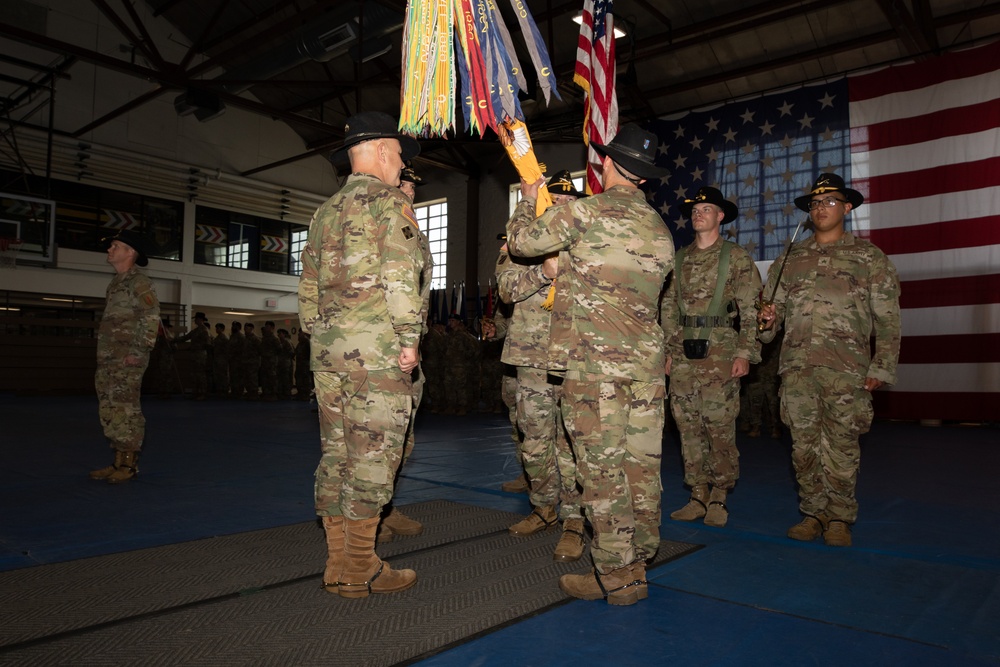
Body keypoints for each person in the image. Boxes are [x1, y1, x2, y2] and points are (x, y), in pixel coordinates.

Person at [507, 124, 674, 605]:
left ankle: (617, 577)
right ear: (642, 178)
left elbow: (521, 244)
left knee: (601, 475)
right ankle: (639, 563)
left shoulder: (583, 214)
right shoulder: (660, 229)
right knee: (641, 470)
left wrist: (527, 196)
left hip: (592, 369)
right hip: (644, 370)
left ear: (605, 164)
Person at [298, 110, 424, 598]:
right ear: (377, 151)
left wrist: (322, 334)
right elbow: (399, 277)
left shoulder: (324, 211)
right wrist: (408, 339)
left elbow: (307, 287)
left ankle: (335, 563)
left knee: (336, 458)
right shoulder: (389, 204)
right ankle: (359, 567)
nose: (398, 166)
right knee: (372, 460)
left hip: (329, 356)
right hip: (376, 355)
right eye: (396, 155)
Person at [757, 173, 901, 547]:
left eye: (830, 202)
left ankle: (839, 517)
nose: (821, 208)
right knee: (803, 447)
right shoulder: (791, 258)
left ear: (847, 207)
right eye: (815, 204)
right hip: (798, 368)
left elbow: (887, 318)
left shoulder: (869, 258)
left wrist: (882, 365)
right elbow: (771, 320)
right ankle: (813, 513)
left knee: (841, 447)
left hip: (847, 370)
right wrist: (767, 321)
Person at [499, 172, 587, 563]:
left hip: (574, 358)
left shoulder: (589, 244)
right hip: (531, 359)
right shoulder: (523, 245)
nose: (563, 208)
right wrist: (543, 272)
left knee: (572, 444)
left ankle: (573, 522)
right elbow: (505, 289)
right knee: (534, 442)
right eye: (556, 201)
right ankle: (544, 507)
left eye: (571, 202)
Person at [663, 186, 761, 528]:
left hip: (721, 353)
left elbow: (751, 310)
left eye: (706, 208)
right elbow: (668, 308)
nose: (698, 213)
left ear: (721, 216)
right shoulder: (679, 259)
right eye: (695, 209)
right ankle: (697, 493)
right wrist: (668, 352)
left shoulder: (735, 257)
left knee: (718, 427)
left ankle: (719, 495)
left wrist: (746, 352)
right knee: (687, 426)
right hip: (683, 355)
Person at [379, 161, 434, 543]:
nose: (411, 192)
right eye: (405, 184)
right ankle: (370, 520)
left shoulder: (413, 230)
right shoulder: (384, 220)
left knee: (402, 436)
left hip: (408, 345)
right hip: (384, 346)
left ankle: (385, 506)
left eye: (414, 188)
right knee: (377, 439)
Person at [89, 230, 160, 484]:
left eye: (115, 246)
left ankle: (129, 465)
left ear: (130, 252)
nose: (110, 249)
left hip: (128, 358)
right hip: (109, 358)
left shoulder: (138, 282)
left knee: (126, 408)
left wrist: (138, 352)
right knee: (109, 407)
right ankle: (118, 460)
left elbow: (151, 318)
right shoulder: (116, 283)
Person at [175, 312, 211, 400]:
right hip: (195, 354)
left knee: (201, 374)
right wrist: (173, 340)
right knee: (195, 374)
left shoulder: (204, 330)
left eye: (196, 319)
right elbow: (186, 337)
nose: (195, 320)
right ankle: (196, 392)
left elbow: (208, 344)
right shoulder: (196, 330)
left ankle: (202, 393)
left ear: (200, 320)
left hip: (201, 354)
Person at [259, 320, 280, 401]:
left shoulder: (274, 338)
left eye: (268, 327)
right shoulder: (264, 338)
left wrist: (271, 355)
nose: (266, 328)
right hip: (264, 361)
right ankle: (266, 393)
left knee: (272, 378)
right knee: (264, 378)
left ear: (272, 328)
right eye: (266, 327)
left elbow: (279, 349)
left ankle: (273, 394)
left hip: (271, 362)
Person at [243, 322, 261, 400]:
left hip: (253, 362)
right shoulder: (245, 338)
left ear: (251, 329)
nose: (245, 330)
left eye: (246, 328)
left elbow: (260, 350)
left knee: (252, 378)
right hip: (246, 362)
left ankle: (254, 393)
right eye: (245, 329)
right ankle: (249, 392)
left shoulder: (255, 339)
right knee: (247, 378)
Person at [228, 321, 245, 399]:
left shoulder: (241, 337)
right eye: (233, 326)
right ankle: (234, 391)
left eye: (235, 326)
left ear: (239, 328)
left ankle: (239, 392)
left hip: (239, 360)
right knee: (233, 376)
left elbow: (243, 349)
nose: (233, 327)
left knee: (239, 377)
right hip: (232, 360)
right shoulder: (232, 336)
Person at [294, 329, 313, 401]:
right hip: (299, 364)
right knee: (299, 379)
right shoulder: (300, 343)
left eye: (300, 333)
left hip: (305, 364)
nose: (299, 335)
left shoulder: (307, 342)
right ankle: (300, 393)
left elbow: (310, 353)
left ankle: (306, 394)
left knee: (305, 380)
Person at [212, 322, 229, 398]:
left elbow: (226, 349)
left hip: (222, 360)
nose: (216, 329)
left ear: (222, 329)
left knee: (223, 376)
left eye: (218, 328)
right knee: (218, 376)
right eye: (216, 328)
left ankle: (224, 391)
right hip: (218, 359)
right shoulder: (218, 337)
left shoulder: (224, 338)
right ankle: (220, 390)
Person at [276, 328, 294, 400]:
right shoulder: (280, 342)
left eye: (280, 334)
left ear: (284, 334)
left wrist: (287, 358)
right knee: (281, 379)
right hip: (281, 363)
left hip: (286, 363)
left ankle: (287, 393)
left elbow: (292, 352)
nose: (279, 335)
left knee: (286, 379)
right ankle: (282, 393)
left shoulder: (287, 342)